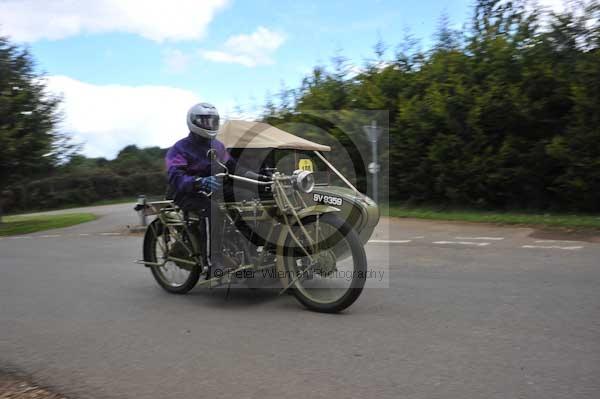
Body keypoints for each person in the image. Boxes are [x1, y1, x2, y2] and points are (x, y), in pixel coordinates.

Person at [165, 102, 236, 274]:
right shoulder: (179, 148)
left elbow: (233, 167)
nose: (209, 125)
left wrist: (259, 177)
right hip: (186, 193)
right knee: (211, 209)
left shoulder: (217, 146)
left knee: (248, 198)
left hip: (213, 189)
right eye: (205, 121)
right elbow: (176, 176)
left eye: (213, 121)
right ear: (193, 122)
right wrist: (198, 181)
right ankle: (212, 262)